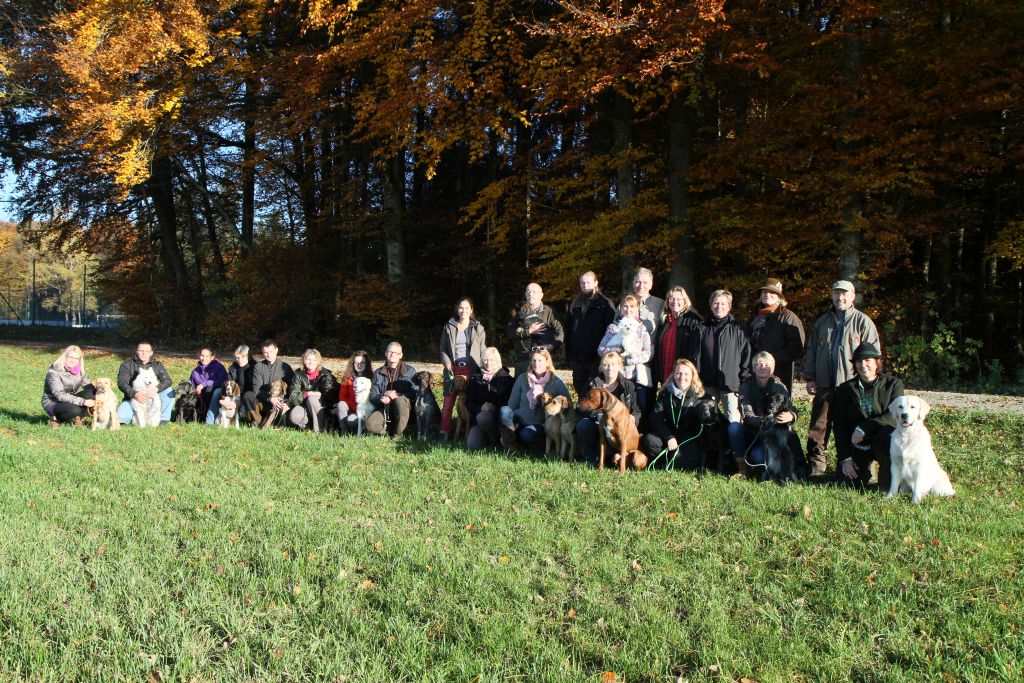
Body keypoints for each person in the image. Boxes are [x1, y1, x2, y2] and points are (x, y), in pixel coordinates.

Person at [804, 280, 880, 477]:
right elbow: (811, 350)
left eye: (845, 294)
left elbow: (873, 355)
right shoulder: (822, 322)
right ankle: (816, 466)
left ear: (853, 296)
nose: (840, 297)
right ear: (832, 296)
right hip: (824, 384)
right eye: (836, 294)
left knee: (852, 426)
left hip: (852, 386)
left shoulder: (863, 322)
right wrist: (810, 377)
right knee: (819, 427)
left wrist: (869, 381)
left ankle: (858, 465)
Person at [832, 341, 904, 490]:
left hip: (883, 440)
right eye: (859, 361)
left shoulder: (894, 384)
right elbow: (839, 426)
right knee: (846, 483)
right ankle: (864, 472)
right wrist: (845, 458)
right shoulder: (845, 389)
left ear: (877, 363)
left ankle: (886, 482)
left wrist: (863, 428)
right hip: (857, 444)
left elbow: (893, 415)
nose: (863, 365)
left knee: (888, 487)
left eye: (867, 360)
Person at [689, 289, 751, 457]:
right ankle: (709, 457)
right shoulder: (701, 327)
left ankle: (738, 458)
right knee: (706, 421)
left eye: (723, 303)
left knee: (733, 421)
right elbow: (695, 356)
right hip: (707, 384)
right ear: (710, 305)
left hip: (731, 385)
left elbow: (746, 357)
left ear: (729, 306)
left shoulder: (738, 329)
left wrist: (744, 383)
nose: (719, 306)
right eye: (716, 303)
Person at [737, 351, 800, 476]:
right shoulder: (745, 387)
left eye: (767, 365)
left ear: (772, 368)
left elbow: (791, 407)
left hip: (773, 433)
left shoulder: (779, 387)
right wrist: (763, 420)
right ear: (753, 368)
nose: (763, 367)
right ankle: (742, 466)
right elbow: (747, 413)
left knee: (758, 456)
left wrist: (792, 416)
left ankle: (768, 468)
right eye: (759, 364)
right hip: (753, 431)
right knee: (734, 428)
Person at [500, 348, 570, 450]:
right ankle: (511, 446)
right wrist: (512, 423)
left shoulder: (556, 382)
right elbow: (512, 404)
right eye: (534, 360)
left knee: (527, 435)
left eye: (540, 360)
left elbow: (568, 404)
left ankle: (529, 444)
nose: (536, 363)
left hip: (540, 425)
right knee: (504, 410)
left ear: (547, 362)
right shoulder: (522, 378)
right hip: (520, 421)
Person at [576, 351, 640, 465]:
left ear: (620, 366)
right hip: (596, 424)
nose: (610, 368)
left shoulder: (628, 386)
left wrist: (633, 418)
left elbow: (637, 410)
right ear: (601, 367)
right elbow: (581, 406)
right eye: (606, 365)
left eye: (613, 364)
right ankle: (590, 458)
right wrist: (598, 416)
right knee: (583, 425)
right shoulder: (592, 384)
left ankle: (614, 457)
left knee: (614, 455)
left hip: (618, 429)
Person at [641, 359, 704, 470]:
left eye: (686, 374)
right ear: (673, 375)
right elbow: (656, 419)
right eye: (678, 373)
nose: (682, 377)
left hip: (689, 438)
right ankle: (666, 459)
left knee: (685, 458)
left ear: (692, 376)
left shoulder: (699, 396)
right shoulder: (665, 393)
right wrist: (669, 437)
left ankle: (672, 461)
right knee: (650, 440)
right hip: (670, 436)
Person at [439, 297, 487, 440]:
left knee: (469, 402)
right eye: (461, 307)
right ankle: (444, 432)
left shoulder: (478, 328)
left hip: (471, 370)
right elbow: (443, 348)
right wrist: (447, 362)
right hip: (452, 369)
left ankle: (468, 433)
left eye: (466, 308)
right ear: (457, 309)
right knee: (448, 402)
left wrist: (484, 367)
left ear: (471, 310)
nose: (463, 311)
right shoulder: (449, 326)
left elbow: (482, 350)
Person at [748, 278, 805, 394]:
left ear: (780, 297)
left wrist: (770, 360)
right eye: (765, 292)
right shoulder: (755, 317)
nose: (767, 294)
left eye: (772, 292)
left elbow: (796, 348)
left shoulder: (789, 317)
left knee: (777, 403)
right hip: (755, 372)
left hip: (779, 373)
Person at [597, 294, 653, 412]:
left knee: (638, 410)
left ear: (637, 308)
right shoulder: (613, 328)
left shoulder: (642, 329)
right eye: (625, 306)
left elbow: (648, 353)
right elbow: (600, 350)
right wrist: (615, 354)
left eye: (632, 306)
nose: (628, 309)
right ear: (621, 308)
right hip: (615, 377)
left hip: (636, 377)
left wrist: (628, 360)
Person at [565, 271, 616, 399]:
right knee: (579, 389)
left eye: (588, 282)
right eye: (582, 283)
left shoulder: (605, 304)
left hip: (596, 357)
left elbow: (611, 331)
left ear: (595, 283)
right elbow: (569, 330)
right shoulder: (575, 304)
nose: (585, 285)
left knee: (594, 392)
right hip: (577, 357)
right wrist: (568, 354)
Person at [507, 282, 564, 375]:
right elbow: (510, 332)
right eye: (528, 291)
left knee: (544, 384)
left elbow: (560, 331)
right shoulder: (518, 311)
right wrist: (529, 331)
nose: (530, 294)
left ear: (541, 295)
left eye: (534, 292)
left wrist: (552, 346)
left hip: (543, 360)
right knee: (521, 384)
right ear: (525, 294)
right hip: (523, 359)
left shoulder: (549, 311)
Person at [652, 286, 703, 390]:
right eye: (672, 298)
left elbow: (697, 351)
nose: (675, 302)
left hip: (683, 377)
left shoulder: (693, 320)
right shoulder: (664, 321)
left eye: (679, 299)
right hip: (665, 374)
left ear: (685, 301)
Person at [465, 347, 514, 450]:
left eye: (492, 360)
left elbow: (509, 403)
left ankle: (496, 441)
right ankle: (488, 438)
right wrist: (480, 407)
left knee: (484, 417)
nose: (488, 363)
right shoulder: (475, 378)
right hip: (479, 419)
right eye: (486, 360)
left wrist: (494, 407)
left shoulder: (506, 379)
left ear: (497, 361)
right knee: (472, 445)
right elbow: (469, 402)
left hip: (499, 420)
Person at [116, 339, 175, 425]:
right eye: (141, 350)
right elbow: (122, 383)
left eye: (147, 351)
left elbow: (167, 380)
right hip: (133, 398)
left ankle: (163, 420)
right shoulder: (126, 365)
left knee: (169, 391)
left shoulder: (157, 365)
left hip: (152, 397)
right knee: (121, 419)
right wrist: (135, 394)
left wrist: (157, 389)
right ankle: (135, 416)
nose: (143, 353)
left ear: (151, 353)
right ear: (136, 351)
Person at [365, 341, 417, 436]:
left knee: (400, 400)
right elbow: (372, 396)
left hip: (405, 410)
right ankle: (390, 430)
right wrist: (383, 396)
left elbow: (416, 392)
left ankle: (397, 434)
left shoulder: (410, 371)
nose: (392, 354)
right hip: (386, 409)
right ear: (386, 353)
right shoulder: (378, 373)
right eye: (390, 352)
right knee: (370, 425)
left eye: (396, 353)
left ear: (400, 355)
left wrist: (398, 395)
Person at [243, 339, 294, 426]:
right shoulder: (258, 367)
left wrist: (288, 402)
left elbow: (291, 388)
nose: (268, 354)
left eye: (271, 351)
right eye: (265, 352)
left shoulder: (285, 367)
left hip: (278, 402)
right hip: (262, 400)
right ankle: (257, 421)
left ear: (276, 350)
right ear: (262, 352)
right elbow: (256, 389)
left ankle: (272, 421)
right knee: (248, 395)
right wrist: (269, 398)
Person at [41, 345, 94, 428]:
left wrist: (106, 395)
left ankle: (80, 418)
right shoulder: (54, 371)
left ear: (79, 360)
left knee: (93, 393)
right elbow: (59, 395)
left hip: (69, 399)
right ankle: (56, 419)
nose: (73, 360)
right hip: (53, 402)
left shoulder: (79, 371)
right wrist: (83, 402)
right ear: (65, 356)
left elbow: (90, 387)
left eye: (76, 358)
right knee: (75, 409)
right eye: (70, 357)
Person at [286, 349, 339, 432]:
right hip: (304, 406)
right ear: (304, 360)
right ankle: (309, 427)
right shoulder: (298, 375)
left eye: (314, 360)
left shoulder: (326, 374)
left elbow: (333, 394)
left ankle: (319, 429)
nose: (311, 362)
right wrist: (308, 393)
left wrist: (321, 395)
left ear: (318, 362)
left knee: (312, 399)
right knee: (294, 416)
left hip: (323, 407)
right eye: (308, 359)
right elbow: (293, 398)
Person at [334, 350, 373, 433]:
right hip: (353, 410)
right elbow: (342, 397)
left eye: (362, 363)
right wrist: (356, 407)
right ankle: (344, 432)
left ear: (366, 364)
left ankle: (361, 430)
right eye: (356, 363)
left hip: (366, 411)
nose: (359, 365)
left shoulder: (371, 378)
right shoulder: (347, 378)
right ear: (352, 364)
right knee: (341, 405)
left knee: (355, 421)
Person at [190, 346, 228, 425]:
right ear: (199, 355)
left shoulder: (219, 367)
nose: (204, 358)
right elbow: (191, 386)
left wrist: (203, 384)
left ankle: (211, 417)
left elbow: (222, 381)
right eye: (202, 355)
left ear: (212, 357)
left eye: (207, 356)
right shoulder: (195, 372)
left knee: (209, 388)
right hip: (200, 400)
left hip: (216, 396)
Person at [222, 345, 254, 419]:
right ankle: (210, 420)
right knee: (217, 392)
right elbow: (228, 383)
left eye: (241, 357)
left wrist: (239, 401)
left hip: (247, 397)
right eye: (237, 357)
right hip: (234, 395)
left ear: (247, 357)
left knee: (242, 412)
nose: (238, 360)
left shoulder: (254, 367)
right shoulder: (233, 368)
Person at [632, 267, 664, 334]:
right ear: (633, 283)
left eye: (645, 283)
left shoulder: (660, 305)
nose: (641, 286)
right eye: (638, 282)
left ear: (651, 285)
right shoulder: (624, 304)